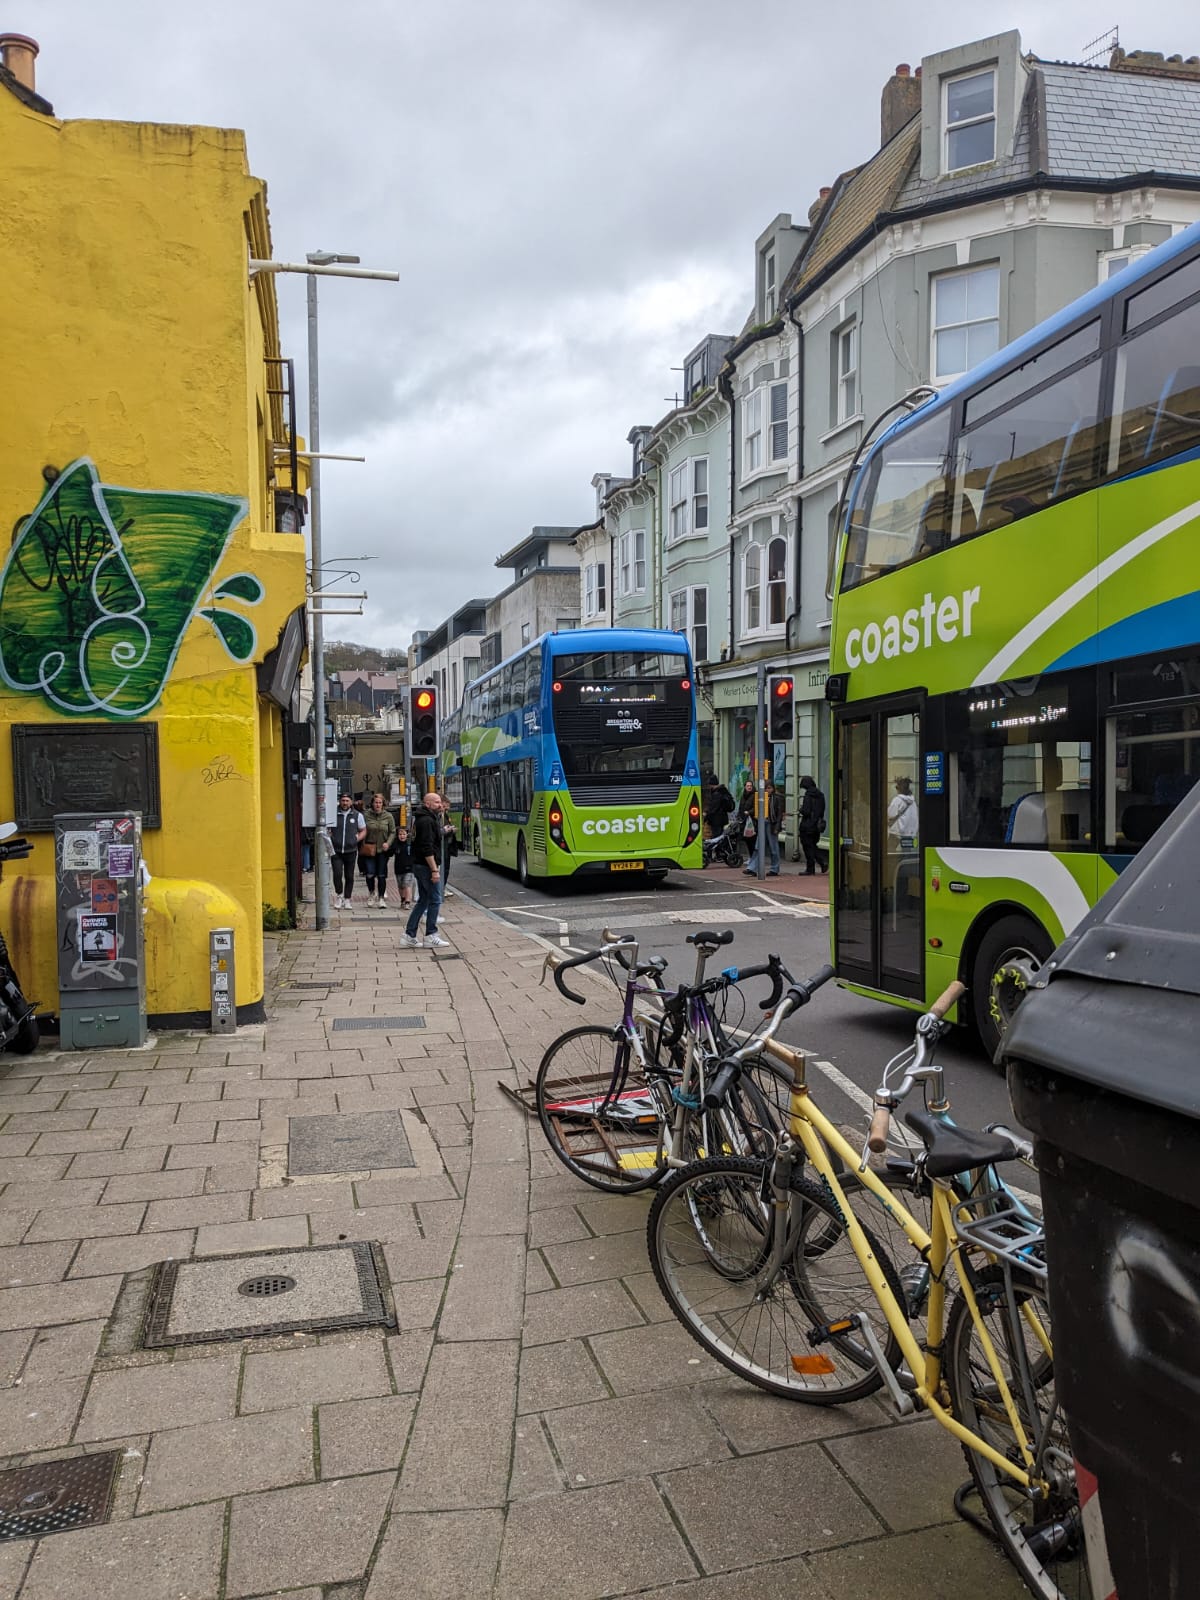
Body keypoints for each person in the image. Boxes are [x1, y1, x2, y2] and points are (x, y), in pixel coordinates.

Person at [405, 792, 450, 949]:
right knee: (435, 899)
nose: (440, 804)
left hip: (420, 865)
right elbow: (427, 847)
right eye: (436, 802)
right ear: (427, 804)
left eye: (440, 802)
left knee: (423, 900)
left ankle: (409, 935)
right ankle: (431, 934)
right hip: (426, 866)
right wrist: (434, 870)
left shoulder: (425, 818)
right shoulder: (426, 821)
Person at [330, 791, 366, 909]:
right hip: (336, 850)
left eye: (347, 801)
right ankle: (339, 895)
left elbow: (363, 830)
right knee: (337, 874)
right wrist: (330, 838)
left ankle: (347, 899)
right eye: (343, 801)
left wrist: (357, 839)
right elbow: (327, 828)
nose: (345, 803)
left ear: (351, 802)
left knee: (349, 876)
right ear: (339, 802)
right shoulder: (333, 814)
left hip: (351, 850)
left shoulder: (357, 815)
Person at [360, 793, 396, 908]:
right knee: (370, 873)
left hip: (382, 850)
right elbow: (361, 828)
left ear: (383, 804)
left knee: (381, 875)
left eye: (380, 803)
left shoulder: (388, 816)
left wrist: (388, 843)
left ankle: (381, 898)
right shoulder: (366, 815)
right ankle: (371, 893)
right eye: (376, 802)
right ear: (372, 803)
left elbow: (393, 831)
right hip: (369, 848)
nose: (378, 805)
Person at [745, 782, 784, 876]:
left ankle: (774, 869)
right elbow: (756, 809)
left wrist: (777, 827)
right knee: (758, 847)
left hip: (772, 824)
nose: (768, 790)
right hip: (762, 823)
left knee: (773, 848)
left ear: (773, 789)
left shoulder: (777, 798)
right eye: (766, 788)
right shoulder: (761, 798)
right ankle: (752, 868)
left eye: (769, 788)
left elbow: (779, 814)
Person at [798, 774, 826, 875]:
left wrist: (801, 809)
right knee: (813, 845)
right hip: (817, 824)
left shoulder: (808, 795)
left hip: (807, 825)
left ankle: (812, 867)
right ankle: (821, 862)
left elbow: (806, 811)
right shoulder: (821, 795)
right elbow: (822, 810)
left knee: (808, 846)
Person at [888, 775, 919, 844]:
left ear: (898, 788)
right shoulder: (913, 801)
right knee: (907, 850)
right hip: (910, 833)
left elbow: (890, 814)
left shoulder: (897, 800)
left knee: (890, 848)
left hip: (897, 831)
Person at [438, 794, 459, 897]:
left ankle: (443, 887)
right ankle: (441, 889)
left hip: (447, 846)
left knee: (446, 868)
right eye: (445, 806)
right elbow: (439, 831)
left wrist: (451, 829)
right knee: (442, 868)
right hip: (442, 846)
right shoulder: (438, 816)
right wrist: (449, 830)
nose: (446, 809)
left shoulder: (445, 815)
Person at [392, 819, 415, 909]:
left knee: (407, 884)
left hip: (409, 868)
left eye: (404, 834)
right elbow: (390, 852)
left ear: (407, 835)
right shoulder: (396, 844)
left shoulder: (410, 844)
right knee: (401, 886)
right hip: (398, 868)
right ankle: (403, 899)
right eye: (400, 834)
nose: (402, 836)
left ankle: (408, 902)